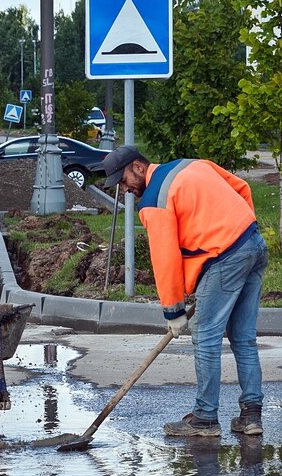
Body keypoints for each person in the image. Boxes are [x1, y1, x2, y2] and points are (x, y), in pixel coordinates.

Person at [102, 145, 268, 437]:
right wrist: (241, 235)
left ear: (139, 168)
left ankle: (205, 418)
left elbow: (165, 258)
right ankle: (251, 416)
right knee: (243, 337)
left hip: (225, 256)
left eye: (123, 180)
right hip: (253, 243)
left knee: (205, 336)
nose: (124, 189)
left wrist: (174, 310)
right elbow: (240, 188)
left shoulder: (154, 200)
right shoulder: (190, 164)